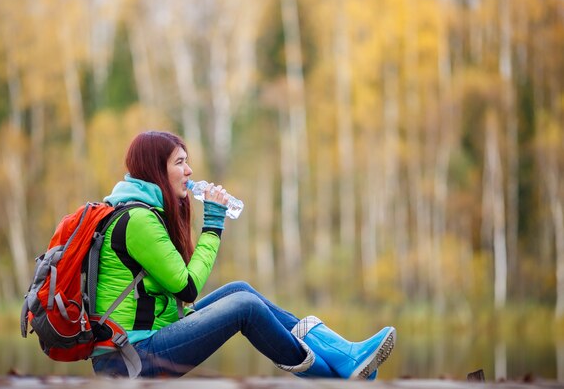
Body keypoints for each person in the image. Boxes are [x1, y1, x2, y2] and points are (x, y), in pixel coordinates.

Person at [91, 130, 396, 379]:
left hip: (149, 339)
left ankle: (343, 356)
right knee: (244, 307)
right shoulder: (137, 220)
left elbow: (178, 295)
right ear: (158, 169)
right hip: (128, 359)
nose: (189, 171)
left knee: (240, 290)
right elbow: (187, 288)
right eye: (179, 162)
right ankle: (331, 378)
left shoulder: (140, 212)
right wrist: (212, 223)